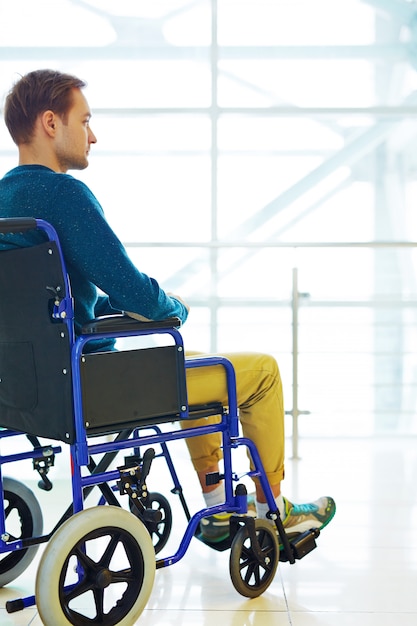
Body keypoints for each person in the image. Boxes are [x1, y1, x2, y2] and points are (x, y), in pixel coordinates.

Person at [0, 69, 335, 543]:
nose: (93, 136)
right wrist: (173, 307)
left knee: (192, 368)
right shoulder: (63, 195)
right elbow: (133, 292)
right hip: (85, 385)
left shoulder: (3, 201)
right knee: (259, 372)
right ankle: (274, 508)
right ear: (51, 123)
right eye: (86, 120)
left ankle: (218, 507)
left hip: (18, 388)